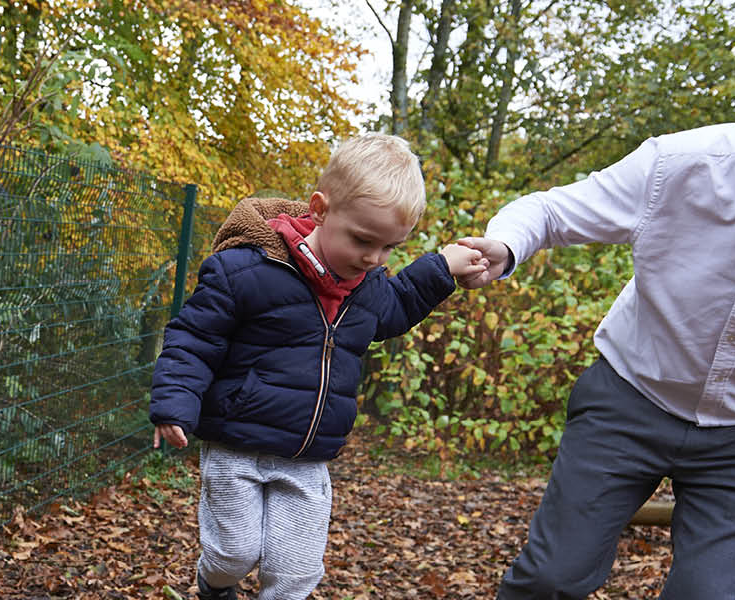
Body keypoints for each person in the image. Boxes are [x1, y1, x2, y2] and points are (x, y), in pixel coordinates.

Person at [455, 32, 735, 600]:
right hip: (629, 396)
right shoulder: (681, 164)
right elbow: (548, 210)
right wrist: (506, 245)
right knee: (549, 580)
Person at [150, 132, 489, 599]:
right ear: (321, 209)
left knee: (294, 574)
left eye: (390, 247)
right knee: (233, 553)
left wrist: (443, 266)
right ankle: (214, 584)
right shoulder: (246, 270)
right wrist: (174, 401)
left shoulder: (367, 287)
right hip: (237, 443)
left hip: (308, 459)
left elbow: (400, 304)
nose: (374, 258)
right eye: (363, 240)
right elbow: (194, 338)